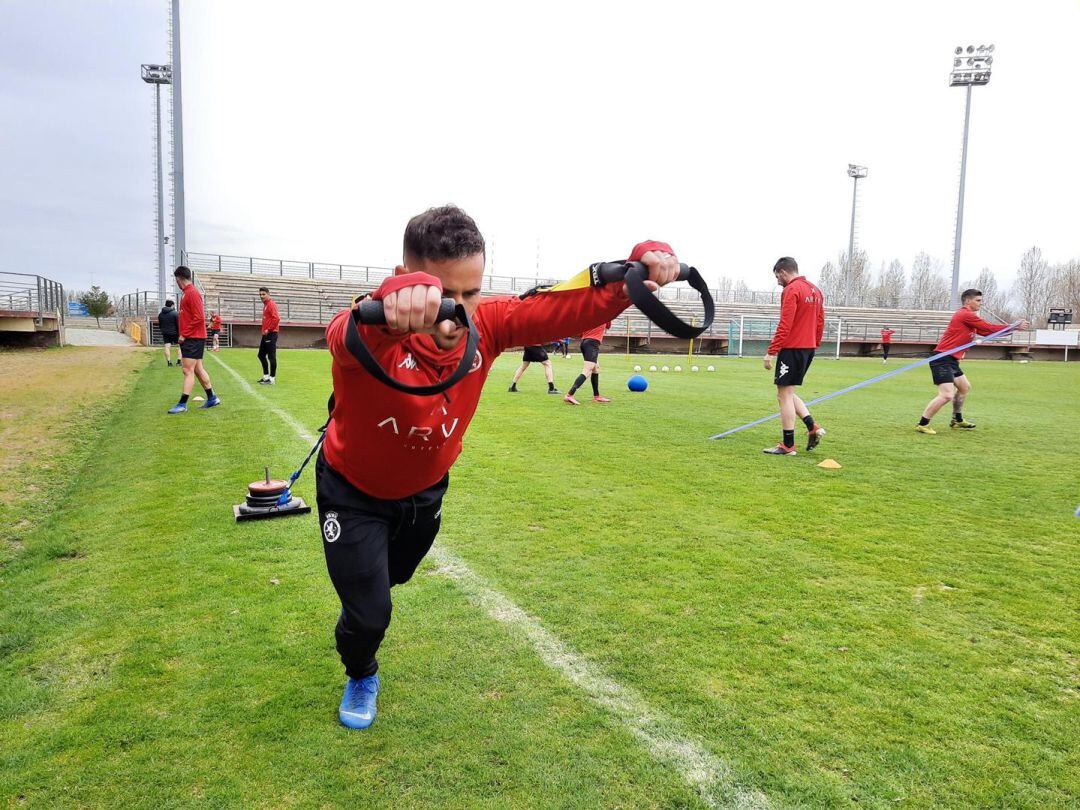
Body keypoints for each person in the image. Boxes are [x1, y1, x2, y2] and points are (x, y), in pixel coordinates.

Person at [317, 205, 679, 729]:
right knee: (369, 611)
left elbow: (564, 310)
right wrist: (387, 307)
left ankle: (368, 588)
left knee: (391, 578)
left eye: (471, 292)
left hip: (424, 495)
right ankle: (361, 669)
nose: (458, 311)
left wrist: (634, 275)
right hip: (352, 494)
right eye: (445, 293)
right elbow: (342, 335)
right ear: (405, 279)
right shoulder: (373, 327)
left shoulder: (486, 324)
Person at [915, 289, 1026, 434]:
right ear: (968, 301)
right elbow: (989, 328)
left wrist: (1013, 329)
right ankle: (922, 424)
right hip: (942, 359)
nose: (981, 303)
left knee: (964, 387)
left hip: (952, 360)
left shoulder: (969, 317)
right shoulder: (965, 314)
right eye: (978, 300)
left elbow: (987, 332)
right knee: (946, 395)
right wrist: (1014, 326)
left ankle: (957, 420)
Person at [762, 257, 826, 455]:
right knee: (788, 392)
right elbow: (820, 321)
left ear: (782, 272)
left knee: (783, 395)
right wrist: (814, 344)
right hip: (808, 348)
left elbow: (785, 324)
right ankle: (812, 426)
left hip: (792, 349)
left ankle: (788, 445)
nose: (777, 281)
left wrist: (771, 352)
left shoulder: (791, 290)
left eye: (777, 276)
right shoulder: (815, 290)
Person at [168, 267, 221, 414]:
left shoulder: (192, 293)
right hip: (194, 337)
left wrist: (184, 334)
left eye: (176, 280)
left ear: (179, 278)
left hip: (193, 338)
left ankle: (182, 404)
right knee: (197, 369)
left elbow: (199, 318)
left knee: (187, 370)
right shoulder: (187, 293)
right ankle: (212, 398)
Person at [563, 321, 612, 405]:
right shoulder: (605, 315)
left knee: (596, 368)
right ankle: (569, 395)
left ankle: (597, 396)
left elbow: (581, 331)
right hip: (592, 343)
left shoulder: (591, 316)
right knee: (587, 370)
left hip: (584, 342)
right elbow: (608, 326)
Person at [257, 287, 280, 385]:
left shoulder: (271, 304)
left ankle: (272, 379)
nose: (261, 296)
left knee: (271, 356)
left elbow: (277, 318)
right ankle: (266, 377)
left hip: (271, 334)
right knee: (261, 355)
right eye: (260, 294)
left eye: (263, 294)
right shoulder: (265, 305)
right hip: (265, 334)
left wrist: (269, 329)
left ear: (268, 294)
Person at [158, 299, 179, 366]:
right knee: (180, 346)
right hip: (175, 333)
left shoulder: (160, 314)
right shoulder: (175, 313)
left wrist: (163, 330)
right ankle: (178, 361)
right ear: (172, 305)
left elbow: (160, 324)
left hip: (165, 333)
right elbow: (178, 324)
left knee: (167, 347)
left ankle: (169, 362)